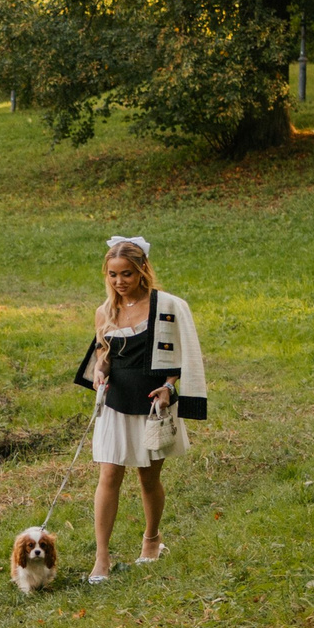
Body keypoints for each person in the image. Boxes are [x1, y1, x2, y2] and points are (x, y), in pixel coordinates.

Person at [71, 236, 206, 583]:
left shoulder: (168, 306)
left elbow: (181, 358)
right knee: (109, 476)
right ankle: (102, 558)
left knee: (149, 478)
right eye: (113, 274)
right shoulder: (105, 311)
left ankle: (152, 540)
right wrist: (101, 370)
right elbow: (104, 355)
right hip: (116, 403)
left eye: (127, 274)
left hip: (152, 404)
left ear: (143, 269)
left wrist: (170, 388)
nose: (120, 282)